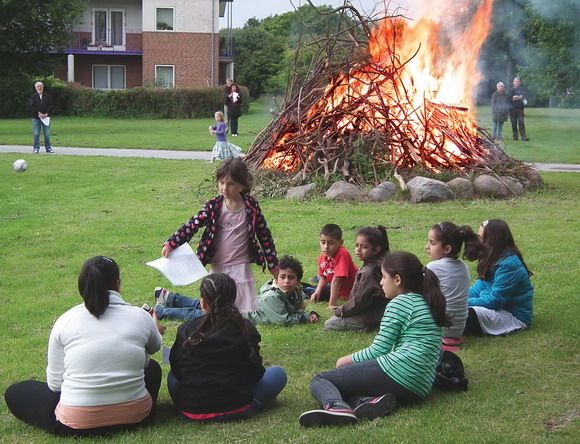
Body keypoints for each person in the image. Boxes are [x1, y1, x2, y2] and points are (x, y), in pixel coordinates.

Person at [4, 256, 164, 437]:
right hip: (137, 417)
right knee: (152, 368)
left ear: (82, 286)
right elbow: (155, 347)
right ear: (118, 285)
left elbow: (56, 385)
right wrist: (153, 328)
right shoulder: (139, 316)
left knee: (16, 392)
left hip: (76, 423)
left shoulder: (66, 320)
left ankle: (85, 409)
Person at [299, 252, 449, 427]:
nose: (381, 282)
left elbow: (378, 351)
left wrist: (344, 361)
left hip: (399, 372)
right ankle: (365, 401)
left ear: (397, 279)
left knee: (321, 380)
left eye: (384, 277)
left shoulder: (400, 303)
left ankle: (336, 407)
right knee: (348, 384)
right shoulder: (428, 301)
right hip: (419, 388)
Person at [162, 156, 279, 314]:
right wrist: (171, 243)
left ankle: (238, 337)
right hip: (217, 268)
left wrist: (273, 265)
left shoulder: (251, 207)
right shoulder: (213, 206)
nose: (225, 188)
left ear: (242, 185)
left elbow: (265, 236)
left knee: (241, 311)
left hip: (240, 267)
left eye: (230, 184)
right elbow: (192, 225)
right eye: (222, 183)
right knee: (213, 310)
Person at [168, 273, 287, 422]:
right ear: (234, 300)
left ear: (203, 302)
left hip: (192, 410)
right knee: (279, 373)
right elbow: (256, 373)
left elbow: (177, 370)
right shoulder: (245, 329)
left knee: (171, 376)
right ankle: (248, 404)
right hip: (237, 407)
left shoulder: (186, 329)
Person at [465, 219, 534, 336]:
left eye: (482, 238)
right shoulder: (491, 256)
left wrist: (464, 303)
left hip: (512, 316)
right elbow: (480, 285)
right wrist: (458, 299)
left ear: (492, 240)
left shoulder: (509, 264)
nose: (479, 242)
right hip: (495, 309)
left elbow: (496, 300)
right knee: (453, 310)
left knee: (465, 314)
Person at [425, 222, 485, 351]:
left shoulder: (432, 268)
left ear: (447, 249)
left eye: (432, 243)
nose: (427, 246)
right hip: (458, 329)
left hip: (441, 328)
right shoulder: (464, 267)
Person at [324, 226, 389, 332]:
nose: (358, 250)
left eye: (364, 247)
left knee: (330, 324)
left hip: (370, 316)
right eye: (356, 245)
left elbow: (359, 302)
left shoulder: (369, 271)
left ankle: (368, 328)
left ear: (376, 249)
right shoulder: (379, 264)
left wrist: (341, 310)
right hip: (377, 312)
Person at [245, 255, 320, 326]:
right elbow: (283, 321)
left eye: (291, 277)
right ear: (276, 279)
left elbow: (290, 313)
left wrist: (308, 315)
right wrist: (300, 311)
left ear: (298, 281)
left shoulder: (297, 291)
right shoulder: (270, 296)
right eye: (282, 277)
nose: (286, 281)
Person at [310, 224, 358, 310]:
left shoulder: (342, 253)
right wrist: (317, 292)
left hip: (353, 292)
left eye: (331, 243)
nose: (326, 247)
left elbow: (337, 280)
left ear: (340, 242)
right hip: (338, 291)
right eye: (323, 242)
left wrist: (331, 304)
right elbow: (323, 277)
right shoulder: (322, 257)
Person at [29, 81, 54, 153]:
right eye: (38, 86)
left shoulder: (47, 96)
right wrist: (38, 113)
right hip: (36, 118)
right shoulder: (33, 96)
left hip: (46, 117)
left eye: (41, 86)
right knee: (36, 133)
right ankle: (36, 148)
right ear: (36, 88)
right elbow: (31, 106)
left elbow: (50, 105)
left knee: (47, 134)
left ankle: (48, 148)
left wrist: (47, 113)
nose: (40, 88)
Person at [508, 77, 529, 141]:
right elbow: (511, 98)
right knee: (513, 123)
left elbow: (524, 97)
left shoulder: (522, 89)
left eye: (517, 81)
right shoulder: (511, 90)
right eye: (515, 81)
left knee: (521, 122)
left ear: (519, 82)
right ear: (513, 82)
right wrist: (520, 97)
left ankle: (523, 136)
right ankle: (515, 136)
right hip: (512, 109)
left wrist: (516, 97)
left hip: (520, 109)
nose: (516, 82)